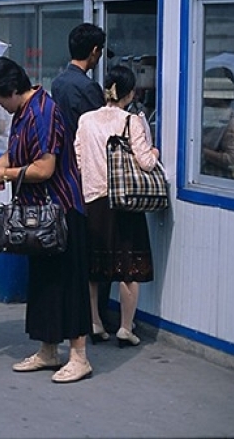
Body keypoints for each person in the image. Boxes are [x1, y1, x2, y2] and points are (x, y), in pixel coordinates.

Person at [0, 56, 92, 384]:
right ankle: (48, 350)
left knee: (68, 283)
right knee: (44, 283)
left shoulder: (43, 111)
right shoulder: (23, 113)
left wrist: (7, 173)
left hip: (62, 210)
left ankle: (80, 356)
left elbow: (44, 168)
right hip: (38, 213)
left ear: (11, 89)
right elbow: (17, 152)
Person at [75, 65, 159, 348]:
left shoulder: (86, 120)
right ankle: (125, 327)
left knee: (94, 269)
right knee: (128, 269)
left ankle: (95, 323)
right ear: (130, 92)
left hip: (93, 200)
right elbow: (146, 162)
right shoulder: (131, 121)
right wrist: (155, 151)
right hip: (124, 202)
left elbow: (78, 158)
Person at [51, 22, 110, 338]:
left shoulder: (58, 83)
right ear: (95, 52)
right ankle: (94, 317)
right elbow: (101, 133)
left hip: (63, 172)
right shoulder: (88, 89)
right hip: (88, 173)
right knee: (94, 249)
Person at [201, 67, 234, 179]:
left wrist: (202, 151)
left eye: (207, 88)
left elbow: (233, 159)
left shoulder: (230, 122)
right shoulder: (211, 116)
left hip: (217, 179)